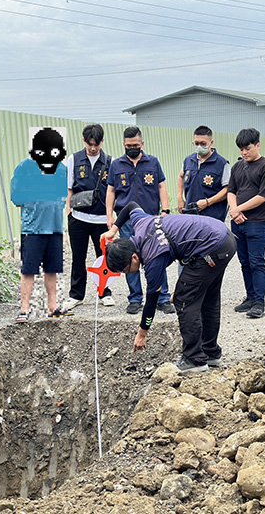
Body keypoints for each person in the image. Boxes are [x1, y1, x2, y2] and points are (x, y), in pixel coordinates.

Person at [103, 201, 236, 372]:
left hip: (212, 247)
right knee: (208, 297)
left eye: (125, 269)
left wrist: (142, 333)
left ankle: (194, 359)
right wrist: (113, 230)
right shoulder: (141, 223)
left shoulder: (152, 260)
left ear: (134, 257)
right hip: (222, 237)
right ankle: (211, 354)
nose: (127, 273)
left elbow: (152, 302)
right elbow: (130, 206)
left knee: (183, 299)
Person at [105, 126, 175, 315]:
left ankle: (163, 297)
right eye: (129, 146)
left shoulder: (153, 162)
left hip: (151, 220)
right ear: (123, 145)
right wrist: (109, 216)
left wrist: (166, 210)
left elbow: (161, 186)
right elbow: (111, 191)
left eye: (135, 145)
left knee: (158, 255)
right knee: (129, 259)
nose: (132, 148)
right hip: (126, 221)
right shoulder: (116, 165)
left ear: (142, 144)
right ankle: (135, 298)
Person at [11, 127, 68, 322]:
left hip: (55, 226)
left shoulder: (61, 168)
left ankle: (53, 307)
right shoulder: (24, 168)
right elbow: (16, 197)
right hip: (33, 228)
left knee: (52, 269)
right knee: (29, 269)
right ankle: (24, 309)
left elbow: (63, 195)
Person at [62, 124, 114, 311]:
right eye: (90, 144)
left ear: (102, 142)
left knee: (104, 258)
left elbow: (112, 190)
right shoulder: (74, 159)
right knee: (78, 257)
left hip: (101, 219)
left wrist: (110, 216)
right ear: (84, 141)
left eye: (97, 144)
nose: (93, 148)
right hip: (79, 218)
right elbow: (69, 188)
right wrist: (69, 211)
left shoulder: (110, 161)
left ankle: (104, 292)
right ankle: (76, 295)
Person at [227, 128, 265, 319]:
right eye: (241, 149)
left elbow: (264, 196)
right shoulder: (237, 167)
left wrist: (239, 209)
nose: (244, 152)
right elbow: (231, 190)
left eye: (247, 148)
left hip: (257, 221)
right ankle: (249, 297)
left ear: (258, 145)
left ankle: (259, 302)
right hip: (237, 222)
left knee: (257, 262)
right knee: (244, 261)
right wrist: (234, 211)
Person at [176, 125, 230, 220]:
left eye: (203, 144)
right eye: (196, 143)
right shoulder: (188, 160)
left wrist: (208, 202)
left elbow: (228, 190)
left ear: (211, 143)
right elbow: (181, 176)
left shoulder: (222, 164)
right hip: (190, 216)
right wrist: (179, 197)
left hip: (212, 217)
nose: (199, 146)